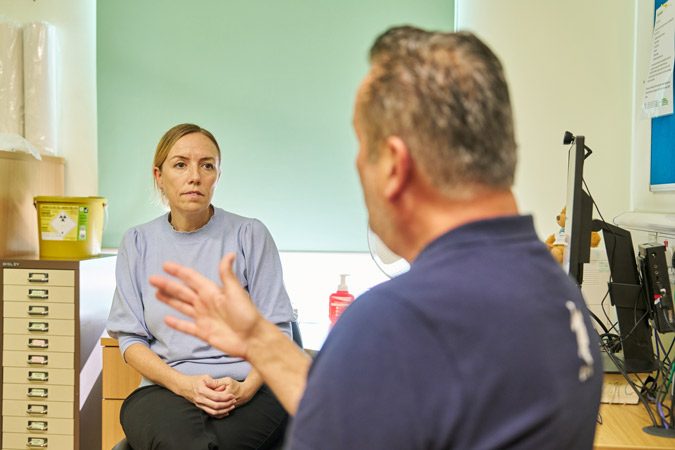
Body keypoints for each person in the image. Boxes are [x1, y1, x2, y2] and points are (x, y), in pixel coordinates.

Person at [149, 27, 603, 449]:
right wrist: (260, 341)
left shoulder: (395, 323)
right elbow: (361, 413)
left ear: (393, 165)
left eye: (362, 147)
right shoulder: (554, 287)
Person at [106, 123, 295, 449]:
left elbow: (277, 330)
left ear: (217, 176)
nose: (195, 176)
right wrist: (183, 385)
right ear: (159, 176)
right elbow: (131, 339)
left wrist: (246, 388)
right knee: (185, 441)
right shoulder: (137, 242)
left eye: (207, 165)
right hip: (164, 388)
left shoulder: (249, 235)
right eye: (180, 164)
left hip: (248, 388)